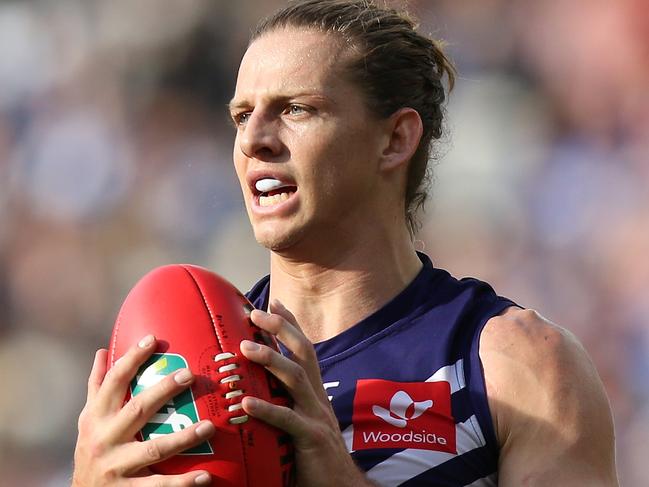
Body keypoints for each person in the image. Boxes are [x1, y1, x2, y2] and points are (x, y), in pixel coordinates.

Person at [72, 1, 619, 486]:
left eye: (295, 110)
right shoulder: (186, 363)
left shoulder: (511, 364)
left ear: (396, 139)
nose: (254, 140)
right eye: (242, 115)